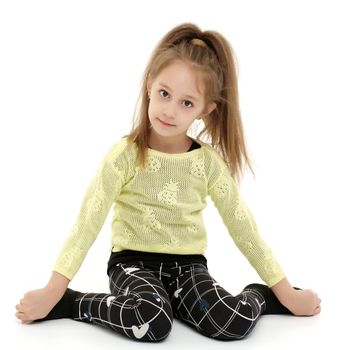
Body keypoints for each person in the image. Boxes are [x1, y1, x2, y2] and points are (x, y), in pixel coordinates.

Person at [15, 23, 321, 342]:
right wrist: (54, 290)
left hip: (188, 268)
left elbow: (244, 229)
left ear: (205, 110)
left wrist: (285, 292)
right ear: (150, 85)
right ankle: (74, 303)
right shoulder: (124, 156)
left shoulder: (207, 163)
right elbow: (87, 223)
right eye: (165, 94)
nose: (170, 111)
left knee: (234, 322)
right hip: (132, 265)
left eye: (186, 103)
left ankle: (258, 295)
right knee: (152, 321)